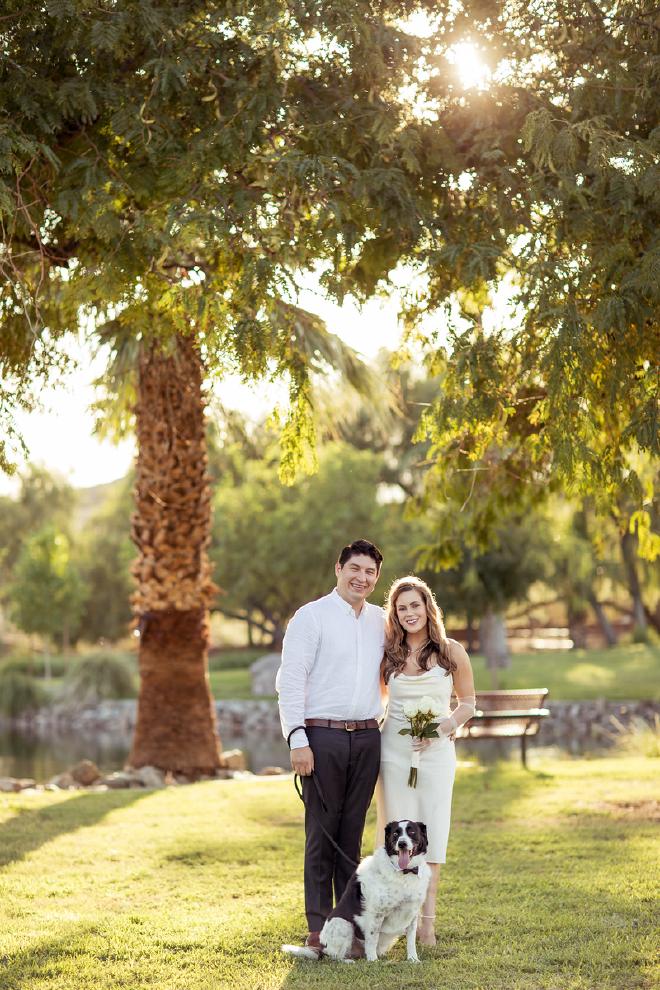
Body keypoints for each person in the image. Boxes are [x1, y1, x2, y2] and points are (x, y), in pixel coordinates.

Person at [276, 538, 385, 956]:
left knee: (351, 835)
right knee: (321, 836)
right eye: (354, 568)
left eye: (370, 572)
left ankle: (349, 932)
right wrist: (297, 738)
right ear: (338, 569)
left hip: (367, 736)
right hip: (322, 737)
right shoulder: (311, 617)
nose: (362, 577)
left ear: (376, 578)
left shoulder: (380, 620)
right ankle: (319, 931)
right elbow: (290, 681)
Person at [376, 575, 476, 947]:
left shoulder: (451, 652)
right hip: (395, 755)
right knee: (395, 838)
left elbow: (468, 704)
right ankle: (392, 925)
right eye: (401, 608)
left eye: (415, 605)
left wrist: (443, 728)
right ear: (395, 615)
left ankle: (427, 926)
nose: (409, 613)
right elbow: (379, 702)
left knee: (431, 833)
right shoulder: (389, 655)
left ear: (427, 607)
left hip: (436, 756)